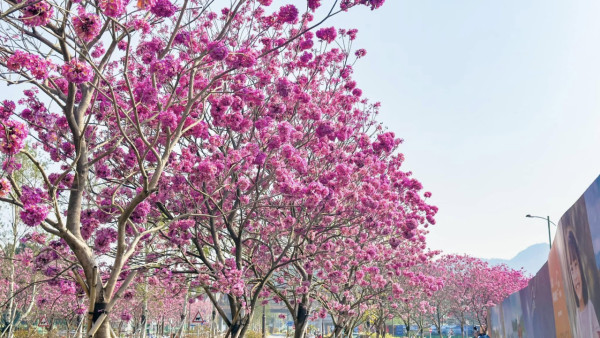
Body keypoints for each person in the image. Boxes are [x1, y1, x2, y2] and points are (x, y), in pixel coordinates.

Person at [566, 229, 600, 337]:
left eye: (576, 265)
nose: (575, 276)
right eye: (571, 269)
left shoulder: (590, 307)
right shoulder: (577, 315)